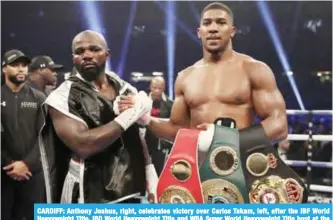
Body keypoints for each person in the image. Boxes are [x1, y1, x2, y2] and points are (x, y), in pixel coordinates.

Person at [117, 2, 307, 203]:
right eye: (207, 23)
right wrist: (147, 119)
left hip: (241, 174)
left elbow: (279, 126)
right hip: (197, 177)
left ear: (232, 31)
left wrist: (222, 139)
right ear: (199, 32)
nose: (214, 28)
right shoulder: (185, 77)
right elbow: (177, 130)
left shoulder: (254, 70)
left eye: (221, 22)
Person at [38, 30, 157, 204]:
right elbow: (84, 145)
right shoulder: (62, 96)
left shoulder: (123, 87)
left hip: (131, 186)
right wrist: (130, 115)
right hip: (89, 190)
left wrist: (149, 167)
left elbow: (136, 134)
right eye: (79, 52)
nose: (86, 55)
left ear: (107, 54)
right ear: (74, 58)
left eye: (94, 49)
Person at [1, 49, 46, 220]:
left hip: (32, 174)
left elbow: (44, 136)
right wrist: (9, 164)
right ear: (4, 69)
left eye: (24, 65)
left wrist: (26, 164)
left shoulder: (39, 98)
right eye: (15, 65)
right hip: (3, 174)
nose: (21, 69)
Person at [144, 76, 173, 176]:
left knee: (160, 171)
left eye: (159, 88)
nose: (157, 91)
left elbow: (172, 124)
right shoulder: (142, 102)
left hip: (161, 143)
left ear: (164, 88)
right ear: (150, 87)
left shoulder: (170, 104)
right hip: (144, 141)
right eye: (154, 87)